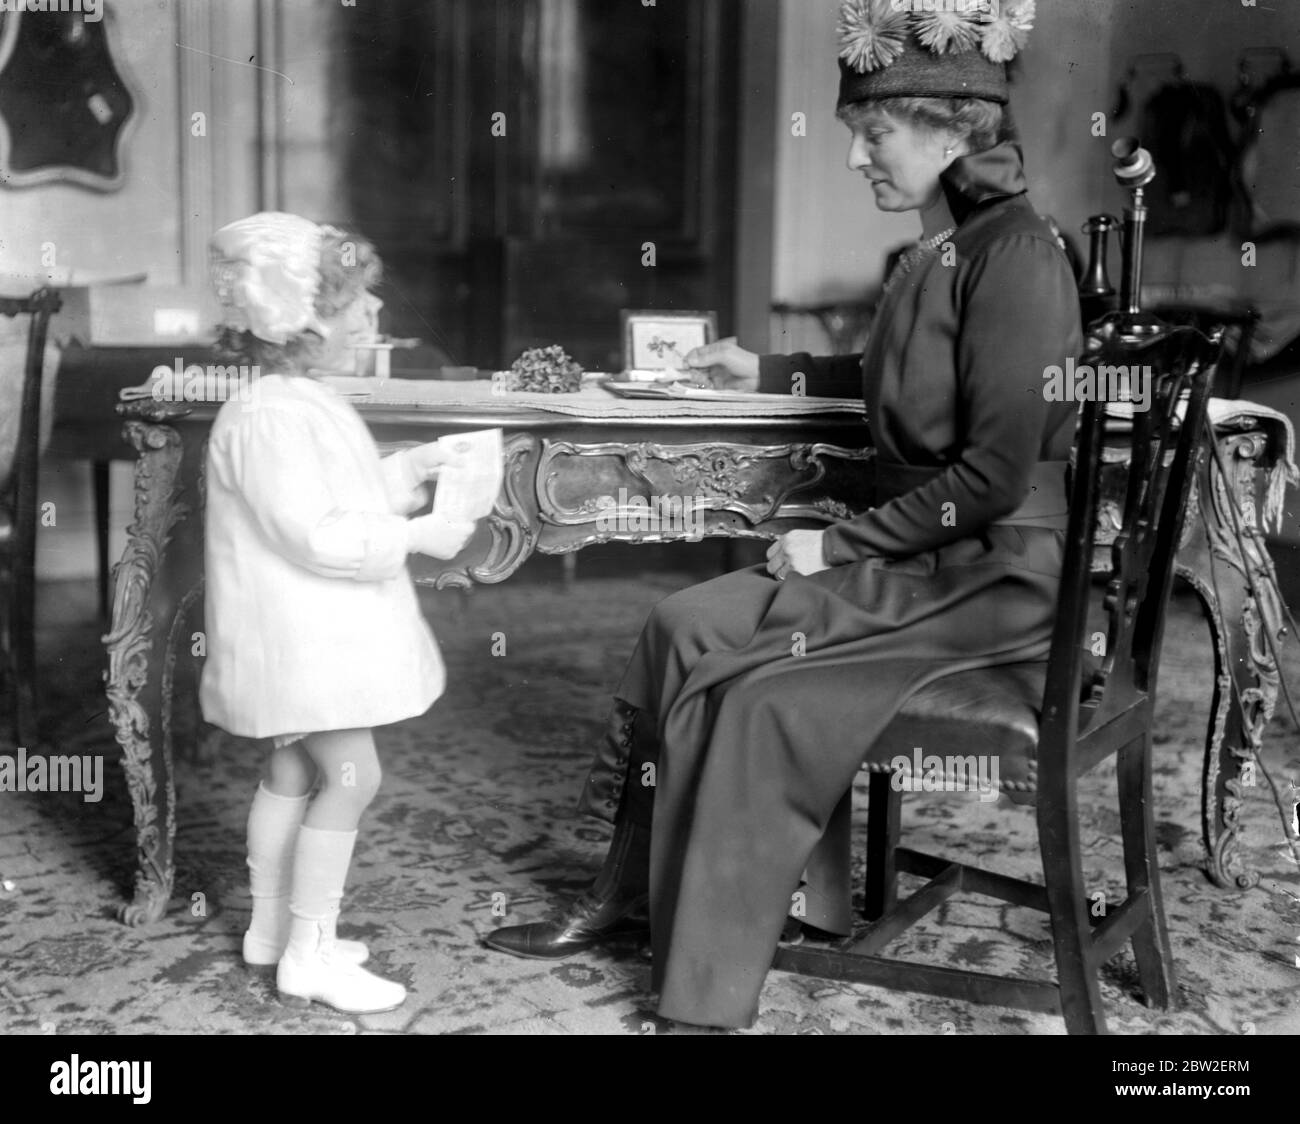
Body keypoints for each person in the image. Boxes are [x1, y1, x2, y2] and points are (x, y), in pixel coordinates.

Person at [484, 1, 1081, 1030]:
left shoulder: (1017, 256)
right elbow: (899, 376)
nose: (855, 156)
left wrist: (833, 543)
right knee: (679, 623)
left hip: (990, 578)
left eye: (874, 131)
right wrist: (768, 366)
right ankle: (626, 894)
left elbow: (989, 474)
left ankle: (703, 996)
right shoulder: (942, 250)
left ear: (952, 132)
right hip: (926, 558)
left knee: (759, 699)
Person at [200, 212, 476, 1014]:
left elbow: (337, 495)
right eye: (358, 299)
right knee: (355, 777)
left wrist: (415, 469)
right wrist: (420, 534)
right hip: (303, 644)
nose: (375, 312)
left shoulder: (294, 401)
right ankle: (310, 954)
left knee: (292, 770)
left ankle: (270, 931)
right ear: (305, 319)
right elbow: (317, 532)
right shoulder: (272, 415)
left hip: (301, 638)